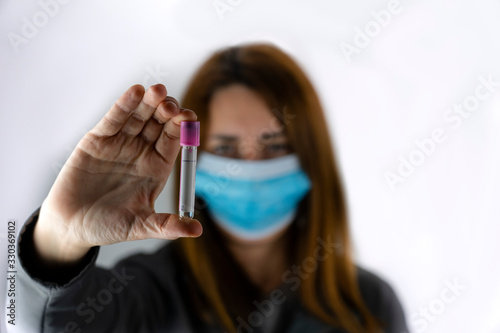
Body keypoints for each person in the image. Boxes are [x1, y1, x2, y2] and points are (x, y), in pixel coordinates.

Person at [13, 43, 408, 333]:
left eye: (275, 147)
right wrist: (58, 238)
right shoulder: (145, 293)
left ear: (311, 158)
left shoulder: (369, 304)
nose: (250, 169)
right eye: (226, 149)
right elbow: (31, 320)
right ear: (194, 160)